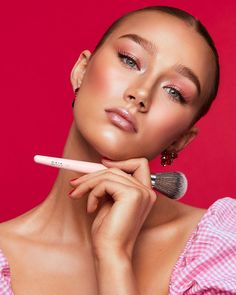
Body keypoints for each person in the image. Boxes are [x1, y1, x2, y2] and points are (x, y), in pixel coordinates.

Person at [0, 5, 235, 295]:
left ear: (180, 140)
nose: (141, 93)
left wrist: (114, 256)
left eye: (174, 91)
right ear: (81, 71)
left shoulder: (221, 245)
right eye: (130, 60)